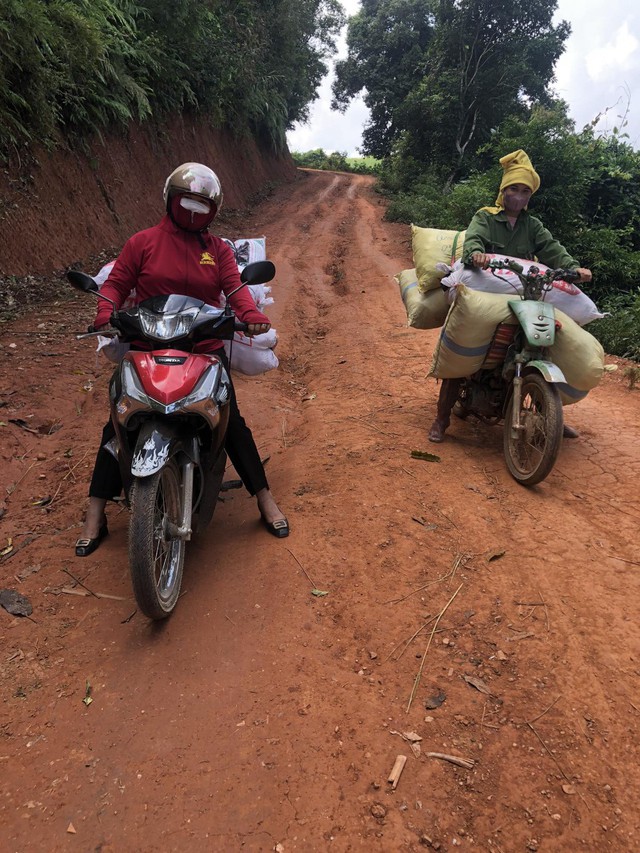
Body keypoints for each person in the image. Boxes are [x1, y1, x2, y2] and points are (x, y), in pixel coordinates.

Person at [75, 162, 289, 556]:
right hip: (149, 344)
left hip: (203, 347)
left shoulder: (219, 251)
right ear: (170, 201)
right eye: (186, 202)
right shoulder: (142, 243)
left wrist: (252, 316)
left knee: (232, 421)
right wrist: (105, 314)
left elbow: (236, 290)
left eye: (202, 206)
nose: (193, 212)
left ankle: (264, 498)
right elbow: (118, 283)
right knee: (118, 424)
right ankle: (95, 513)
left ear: (214, 210)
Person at [428, 149, 592, 444]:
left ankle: (551, 415)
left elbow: (552, 249)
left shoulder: (533, 225)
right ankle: (441, 418)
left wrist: (573, 269)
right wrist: (477, 254)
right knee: (467, 340)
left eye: (524, 191)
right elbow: (474, 239)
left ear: (530, 196)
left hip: (524, 293)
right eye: (513, 189)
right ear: (502, 192)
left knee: (547, 344)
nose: (518, 195)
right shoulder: (485, 216)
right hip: (487, 292)